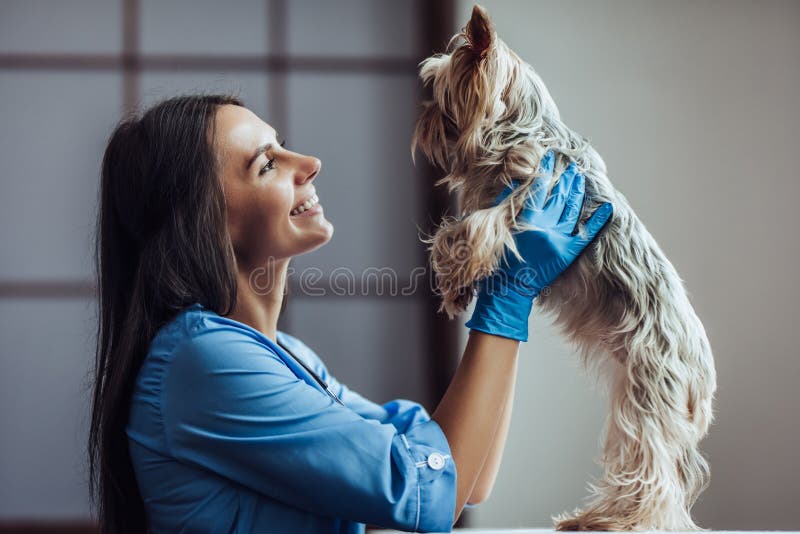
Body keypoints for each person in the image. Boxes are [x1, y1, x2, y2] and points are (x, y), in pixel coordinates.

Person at [88, 94, 613, 533]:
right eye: (267, 164)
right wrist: (508, 296)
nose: (309, 163)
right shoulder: (201, 362)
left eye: (283, 145)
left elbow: (466, 478)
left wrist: (509, 278)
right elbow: (431, 494)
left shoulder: (284, 355)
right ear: (204, 223)